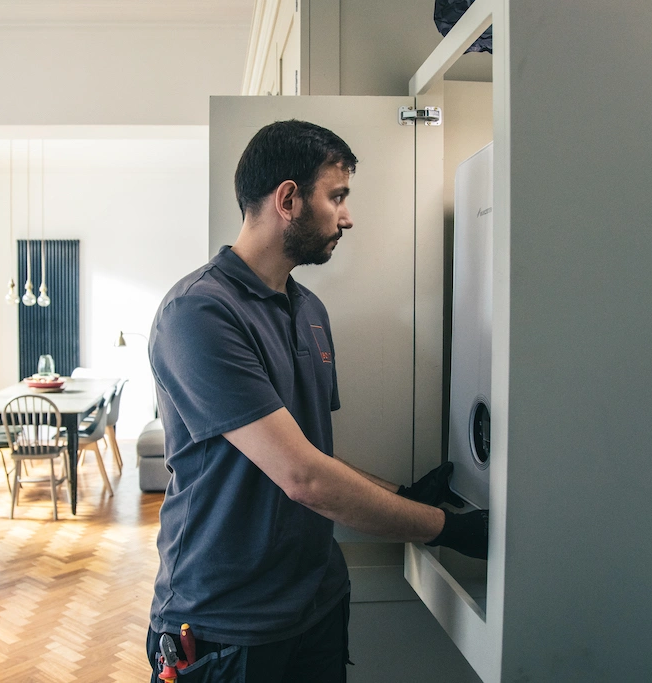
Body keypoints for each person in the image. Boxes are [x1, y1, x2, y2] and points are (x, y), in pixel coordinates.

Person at [145, 119, 488, 683]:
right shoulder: (199, 314)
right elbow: (302, 476)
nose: (347, 216)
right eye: (337, 197)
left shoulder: (310, 311)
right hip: (226, 625)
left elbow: (310, 451)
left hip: (317, 604)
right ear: (288, 198)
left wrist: (402, 495)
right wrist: (445, 528)